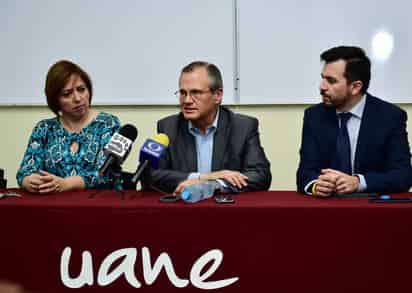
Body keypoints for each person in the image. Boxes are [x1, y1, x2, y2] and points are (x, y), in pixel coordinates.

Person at [297, 46, 412, 196]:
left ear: (355, 87)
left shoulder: (390, 117)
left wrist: (359, 182)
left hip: (371, 209)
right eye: (322, 78)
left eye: (331, 81)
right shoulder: (314, 116)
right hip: (327, 208)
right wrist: (315, 186)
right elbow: (305, 173)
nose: (322, 87)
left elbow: (402, 176)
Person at [148, 61, 271, 194]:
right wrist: (203, 177)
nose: (187, 100)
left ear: (217, 96)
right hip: (183, 209)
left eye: (196, 92)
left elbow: (260, 176)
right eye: (183, 93)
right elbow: (148, 175)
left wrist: (214, 184)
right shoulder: (168, 127)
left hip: (226, 211)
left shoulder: (242, 127)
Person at [16, 60, 121, 193]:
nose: (77, 98)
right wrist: (29, 181)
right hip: (53, 207)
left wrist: (66, 184)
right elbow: (25, 172)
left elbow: (106, 174)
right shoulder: (44, 129)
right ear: (56, 100)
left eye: (81, 89)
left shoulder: (109, 124)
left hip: (99, 205)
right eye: (67, 94)